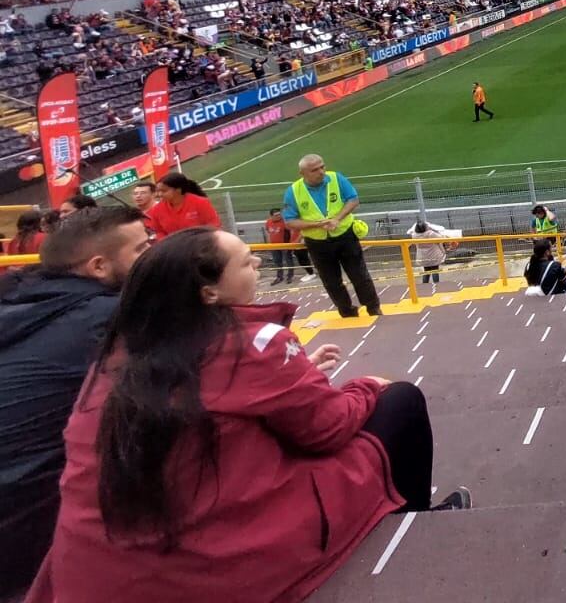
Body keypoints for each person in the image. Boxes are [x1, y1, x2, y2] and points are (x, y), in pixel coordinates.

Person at [25, 228, 469, 603]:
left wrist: (297, 374)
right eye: (245, 261)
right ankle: (411, 529)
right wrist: (367, 385)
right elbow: (328, 428)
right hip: (211, 566)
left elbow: (218, 397)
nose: (257, 263)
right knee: (400, 400)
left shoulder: (117, 354)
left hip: (92, 571)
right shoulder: (253, 344)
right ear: (208, 292)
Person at [0, 206, 150, 599]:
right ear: (99, 266)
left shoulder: (19, 301)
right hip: (26, 531)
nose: (152, 259)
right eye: (142, 250)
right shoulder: (110, 317)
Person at [282, 154, 381, 319]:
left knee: (360, 275)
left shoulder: (336, 178)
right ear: (302, 173)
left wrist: (337, 219)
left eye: (322, 167)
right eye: (315, 170)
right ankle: (347, 312)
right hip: (317, 243)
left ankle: (373, 308)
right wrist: (316, 225)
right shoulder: (293, 191)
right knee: (331, 282)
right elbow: (290, 221)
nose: (321, 172)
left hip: (345, 236)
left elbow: (353, 199)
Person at [144, 172, 221, 237]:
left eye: (164, 191)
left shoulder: (201, 202)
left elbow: (214, 225)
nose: (159, 194)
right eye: (158, 191)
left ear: (178, 190)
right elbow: (159, 232)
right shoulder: (157, 210)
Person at [410, 219, 460, 288]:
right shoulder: (430, 233)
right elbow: (440, 237)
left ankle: (424, 286)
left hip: (422, 256)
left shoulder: (414, 235)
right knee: (435, 270)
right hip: (433, 255)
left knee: (426, 271)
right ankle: (437, 285)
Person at [263, 208, 294, 285]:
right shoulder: (268, 222)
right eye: (276, 215)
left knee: (288, 260)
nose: (279, 216)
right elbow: (268, 232)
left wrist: (290, 244)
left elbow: (291, 231)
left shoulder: (285, 222)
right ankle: (279, 277)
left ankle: (290, 276)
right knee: (277, 261)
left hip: (284, 245)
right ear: (271, 216)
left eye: (280, 214)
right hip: (274, 246)